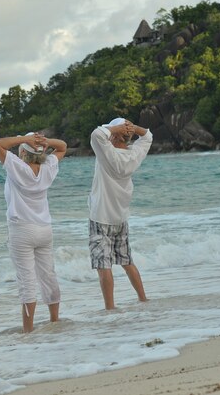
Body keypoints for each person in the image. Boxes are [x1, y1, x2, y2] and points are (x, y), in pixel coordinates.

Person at [0, 132, 67, 332]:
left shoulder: (16, 167)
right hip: (44, 229)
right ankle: (54, 321)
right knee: (48, 276)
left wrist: (21, 139)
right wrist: (46, 142)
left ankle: (28, 330)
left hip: (22, 230)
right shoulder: (48, 168)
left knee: (27, 281)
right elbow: (62, 146)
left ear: (23, 151)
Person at [88, 117, 153, 310]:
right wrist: (132, 128)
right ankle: (143, 299)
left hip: (100, 216)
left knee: (103, 265)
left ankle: (110, 307)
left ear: (115, 136)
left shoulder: (107, 152)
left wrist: (116, 128)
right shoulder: (134, 155)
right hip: (121, 217)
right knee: (127, 261)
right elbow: (148, 136)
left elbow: (96, 134)